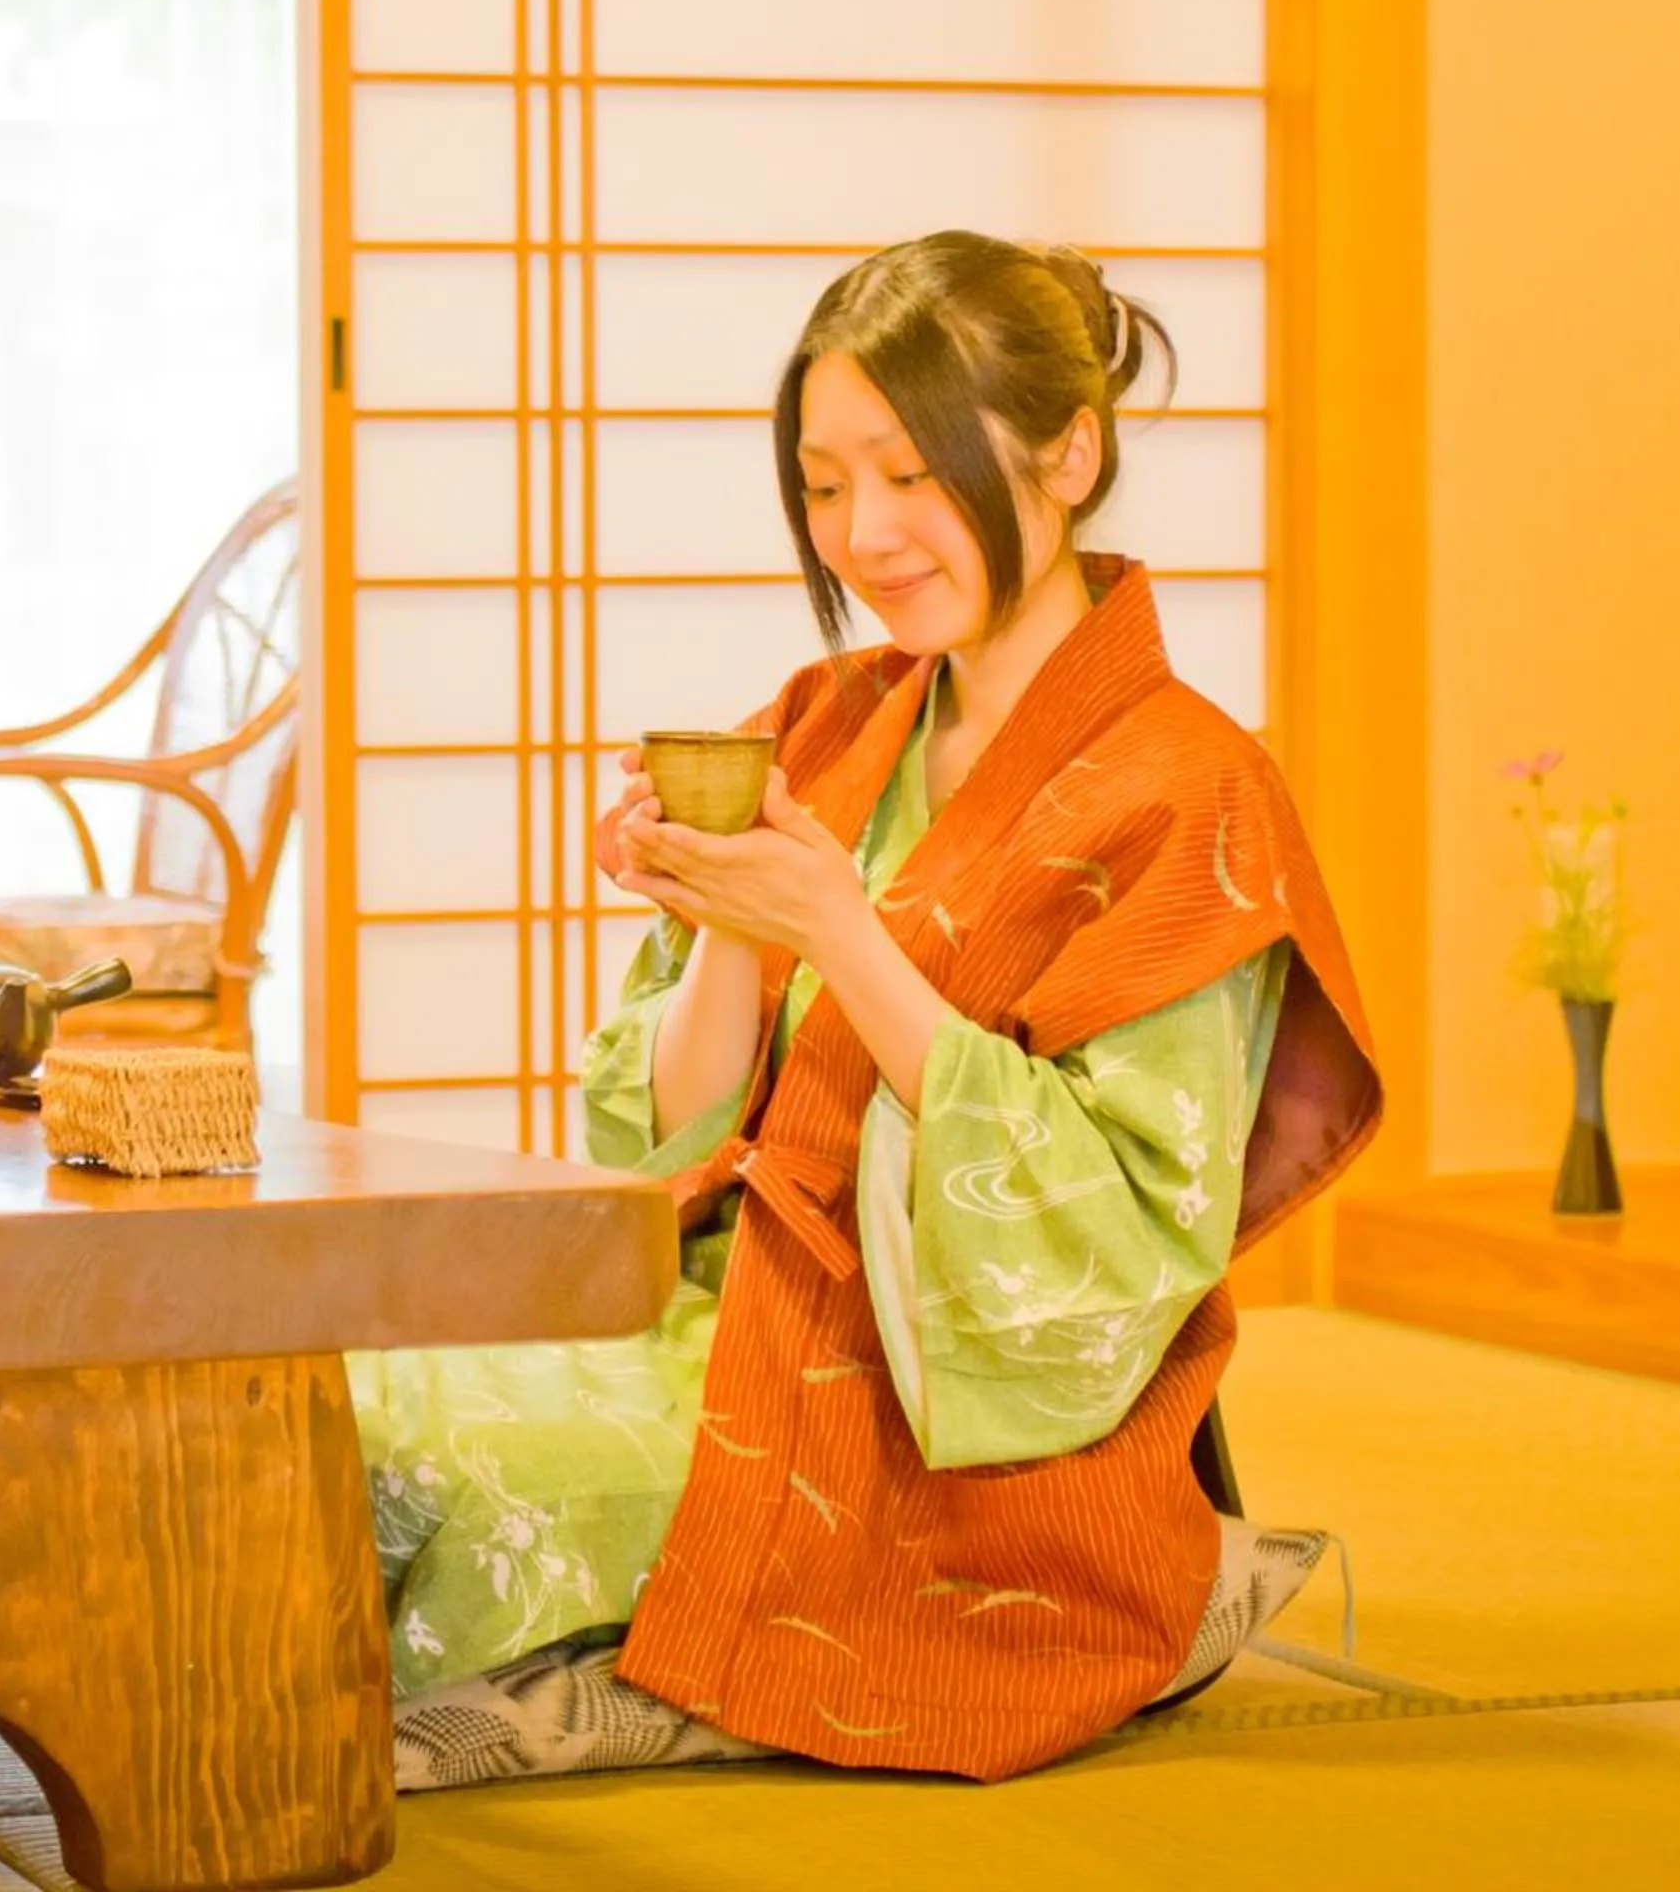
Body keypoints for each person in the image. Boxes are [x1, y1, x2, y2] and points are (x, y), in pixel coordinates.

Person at [349, 229, 1382, 1785]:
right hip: (722, 1318)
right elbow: (671, 1142)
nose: (864, 534)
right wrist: (723, 921)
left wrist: (841, 929)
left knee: (454, 1483)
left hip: (942, 1429)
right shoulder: (829, 722)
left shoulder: (1193, 795)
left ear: (1068, 452)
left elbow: (1105, 1250)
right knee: (314, 1406)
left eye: (911, 474)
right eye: (826, 485)